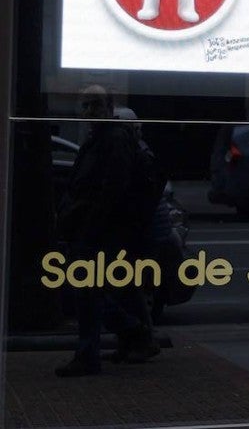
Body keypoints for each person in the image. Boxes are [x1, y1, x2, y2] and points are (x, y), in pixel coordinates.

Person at [54, 86, 158, 377]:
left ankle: (96, 351)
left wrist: (89, 225)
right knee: (93, 292)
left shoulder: (112, 139)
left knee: (88, 293)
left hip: (99, 232)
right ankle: (132, 334)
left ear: (109, 107)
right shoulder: (99, 139)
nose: (89, 111)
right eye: (85, 105)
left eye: (95, 105)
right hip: (95, 229)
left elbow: (111, 189)